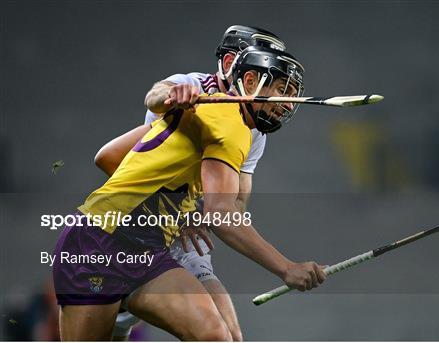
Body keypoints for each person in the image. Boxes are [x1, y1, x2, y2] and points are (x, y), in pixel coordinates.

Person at [53, 45, 326, 341]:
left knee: (215, 336)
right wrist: (286, 268)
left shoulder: (217, 116)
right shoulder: (229, 124)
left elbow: (110, 155)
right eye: (282, 90)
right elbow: (222, 215)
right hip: (97, 243)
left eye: (292, 94)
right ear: (249, 82)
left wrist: (175, 208)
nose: (287, 104)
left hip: (149, 252)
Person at [95, 25, 288, 341]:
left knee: (228, 336)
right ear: (230, 63)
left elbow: (236, 203)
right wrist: (172, 96)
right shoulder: (192, 86)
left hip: (184, 238)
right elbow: (152, 101)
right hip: (134, 229)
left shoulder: (254, 131)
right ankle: (123, 309)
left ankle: (125, 310)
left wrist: (200, 214)